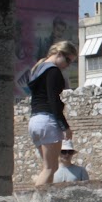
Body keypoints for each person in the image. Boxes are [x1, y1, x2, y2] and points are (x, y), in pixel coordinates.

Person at [27, 40, 76, 188]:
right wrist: (64, 126)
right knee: (50, 168)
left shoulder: (38, 70)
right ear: (59, 54)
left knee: (48, 168)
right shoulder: (53, 71)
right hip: (47, 121)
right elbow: (53, 101)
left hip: (34, 121)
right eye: (67, 60)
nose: (67, 65)